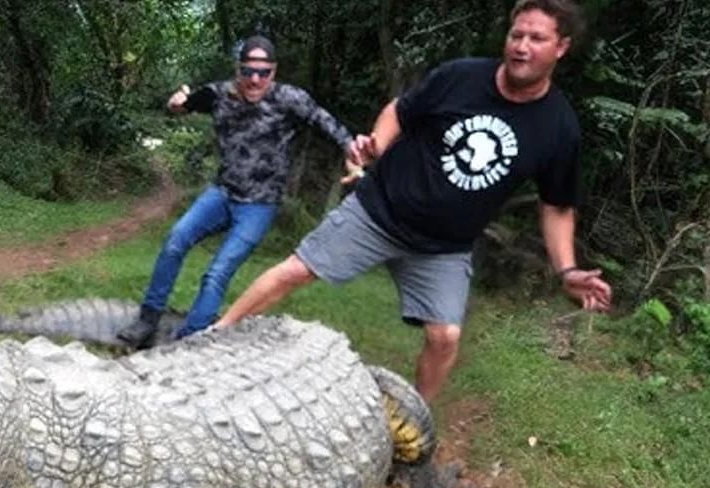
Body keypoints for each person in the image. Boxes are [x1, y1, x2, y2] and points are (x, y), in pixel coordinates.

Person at [213, 0, 612, 402]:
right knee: (294, 270)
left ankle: (414, 429)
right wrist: (377, 146)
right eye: (516, 34)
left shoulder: (558, 127)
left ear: (561, 47)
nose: (522, 46)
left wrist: (567, 271)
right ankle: (215, 338)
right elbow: (399, 112)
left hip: (443, 247)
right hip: (378, 212)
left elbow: (557, 205)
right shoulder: (461, 77)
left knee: (445, 337)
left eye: (536, 38)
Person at [116, 36, 357, 348]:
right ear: (238, 69)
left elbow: (326, 122)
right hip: (222, 194)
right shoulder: (219, 94)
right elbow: (182, 105)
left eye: (264, 72)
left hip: (259, 205)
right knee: (176, 239)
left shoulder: (290, 98)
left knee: (217, 272)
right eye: (248, 71)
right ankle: (148, 319)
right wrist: (176, 103)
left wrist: (352, 148)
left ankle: (190, 342)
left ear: (274, 71)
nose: (255, 79)